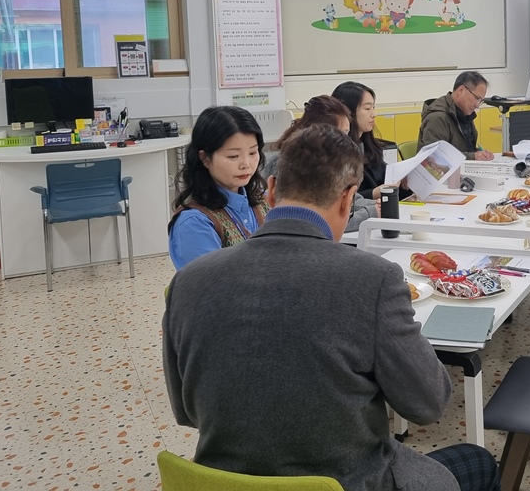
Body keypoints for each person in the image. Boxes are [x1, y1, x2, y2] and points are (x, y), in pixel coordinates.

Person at [163, 124, 500, 491]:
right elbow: (428, 404)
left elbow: (186, 410)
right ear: (347, 199)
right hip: (346, 482)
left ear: (272, 190)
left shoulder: (188, 282)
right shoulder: (373, 280)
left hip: (223, 484)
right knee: (477, 461)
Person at [168, 105, 269, 270]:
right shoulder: (194, 223)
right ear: (205, 158)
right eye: (233, 156)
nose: (246, 164)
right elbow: (213, 289)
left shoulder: (263, 199)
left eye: (253, 153)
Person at [265, 95, 379, 231]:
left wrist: (375, 206)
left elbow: (351, 199)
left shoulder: (330, 160)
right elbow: (321, 220)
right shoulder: (292, 164)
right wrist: (371, 212)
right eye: (341, 134)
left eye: (347, 134)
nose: (346, 141)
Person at [331, 80, 403, 200]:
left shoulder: (368, 147)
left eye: (373, 107)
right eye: (367, 108)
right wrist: (374, 193)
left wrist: (403, 182)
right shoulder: (337, 152)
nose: (373, 114)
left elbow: (387, 180)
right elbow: (339, 199)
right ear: (348, 111)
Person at [418, 71, 494, 160]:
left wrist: (480, 154)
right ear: (461, 91)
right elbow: (436, 158)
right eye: (477, 98)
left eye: (480, 101)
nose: (477, 105)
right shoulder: (437, 117)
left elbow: (466, 149)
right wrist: (473, 156)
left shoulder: (464, 113)